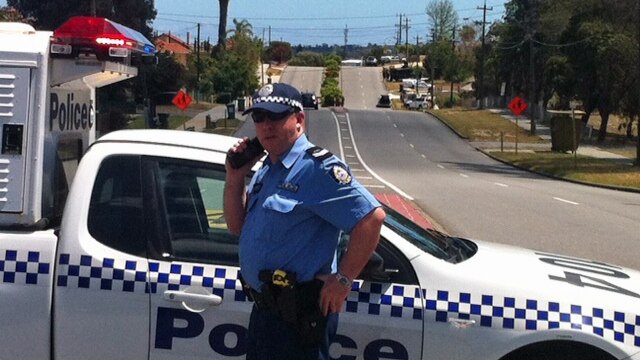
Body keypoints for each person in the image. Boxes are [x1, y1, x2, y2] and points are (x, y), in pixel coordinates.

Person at [223, 83, 385, 360]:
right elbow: (237, 226)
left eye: (275, 116)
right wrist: (235, 177)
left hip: (298, 319)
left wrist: (343, 280)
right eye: (259, 118)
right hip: (266, 312)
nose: (265, 126)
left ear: (299, 120)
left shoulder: (316, 169)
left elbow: (371, 218)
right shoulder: (268, 169)